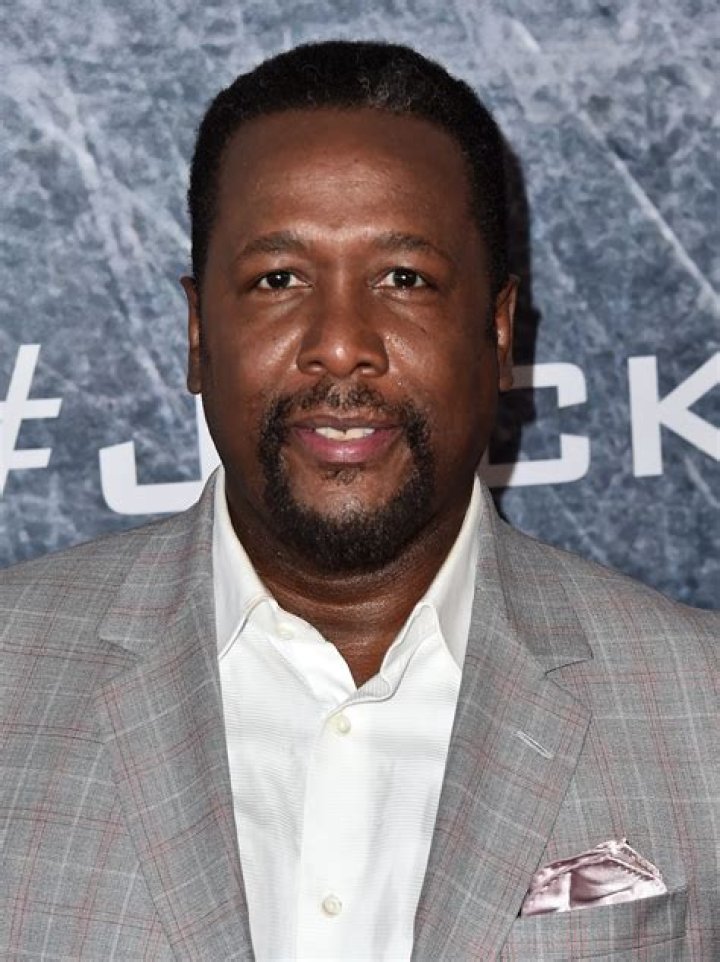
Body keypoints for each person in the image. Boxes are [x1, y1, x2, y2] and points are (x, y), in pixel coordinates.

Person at [1, 40, 717, 962]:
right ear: (196, 333)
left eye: (403, 279)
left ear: (499, 333)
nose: (340, 345)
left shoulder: (700, 705)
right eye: (279, 280)